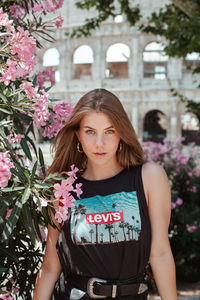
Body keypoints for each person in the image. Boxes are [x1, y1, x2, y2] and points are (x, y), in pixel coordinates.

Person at [33, 89, 177, 300]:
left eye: (109, 131)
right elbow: (50, 268)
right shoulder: (64, 186)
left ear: (122, 133)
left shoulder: (149, 178)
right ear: (78, 135)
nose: (99, 143)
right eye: (90, 131)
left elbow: (161, 254)